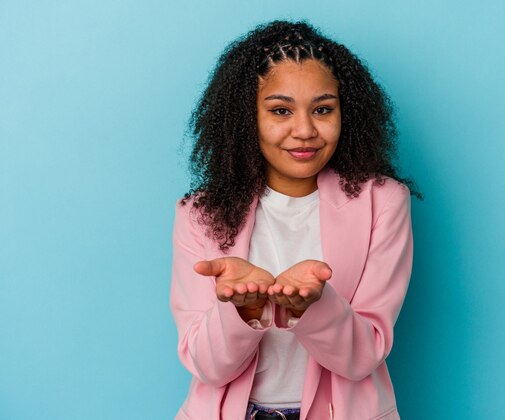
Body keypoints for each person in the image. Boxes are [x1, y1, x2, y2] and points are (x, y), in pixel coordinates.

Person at [170, 20, 421, 420]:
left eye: (322, 109)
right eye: (280, 110)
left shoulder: (384, 202)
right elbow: (207, 366)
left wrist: (313, 304)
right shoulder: (200, 213)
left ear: (346, 113)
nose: (304, 130)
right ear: (245, 118)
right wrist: (243, 309)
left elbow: (363, 358)